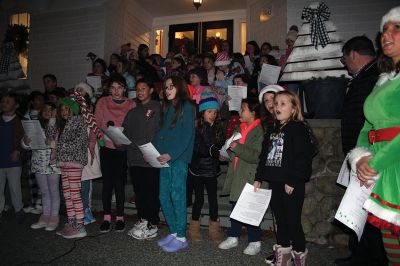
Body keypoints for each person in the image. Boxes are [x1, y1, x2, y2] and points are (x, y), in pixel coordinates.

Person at [350, 7, 400, 266]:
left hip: (394, 163)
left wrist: (375, 162)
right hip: (382, 169)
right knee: (393, 252)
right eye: (384, 29)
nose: (386, 35)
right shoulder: (385, 80)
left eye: (396, 28)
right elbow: (367, 127)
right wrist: (359, 157)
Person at [336, 36, 387, 266]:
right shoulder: (366, 76)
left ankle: (370, 258)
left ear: (353, 54)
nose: (345, 64)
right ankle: (360, 255)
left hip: (369, 154)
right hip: (359, 153)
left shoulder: (377, 77)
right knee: (359, 207)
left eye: (345, 58)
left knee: (369, 209)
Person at [254, 90, 313, 266]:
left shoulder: (298, 128)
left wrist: (293, 180)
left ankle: (300, 254)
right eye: (276, 103)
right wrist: (259, 177)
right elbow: (264, 156)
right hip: (275, 182)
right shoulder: (272, 128)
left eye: (282, 103)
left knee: (292, 221)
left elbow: (303, 158)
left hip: (291, 183)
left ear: (293, 109)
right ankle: (284, 253)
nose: (277, 107)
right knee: (280, 219)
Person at [153, 76, 195, 252]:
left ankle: (181, 235)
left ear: (179, 87)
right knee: (163, 196)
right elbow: (160, 133)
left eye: (171, 87)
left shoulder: (187, 107)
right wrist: (153, 150)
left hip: (178, 159)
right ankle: (174, 231)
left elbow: (186, 136)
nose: (167, 90)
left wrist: (171, 154)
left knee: (177, 196)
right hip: (164, 159)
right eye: (166, 87)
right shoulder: (166, 107)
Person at [218, 98, 264, 256]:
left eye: (243, 109)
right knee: (235, 208)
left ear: (253, 112)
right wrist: (226, 153)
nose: (239, 112)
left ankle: (255, 241)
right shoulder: (240, 128)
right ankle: (233, 236)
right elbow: (235, 150)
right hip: (237, 174)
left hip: (250, 176)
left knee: (250, 210)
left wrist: (238, 147)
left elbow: (257, 156)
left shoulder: (260, 131)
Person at [92, 74, 135, 233]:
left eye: (119, 87)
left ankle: (120, 217)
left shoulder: (131, 104)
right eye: (113, 88)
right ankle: (106, 217)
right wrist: (97, 142)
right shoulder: (103, 102)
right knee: (107, 184)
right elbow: (98, 123)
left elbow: (132, 127)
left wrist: (122, 141)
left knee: (119, 184)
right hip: (107, 148)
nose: (116, 91)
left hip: (122, 149)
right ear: (109, 89)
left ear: (125, 88)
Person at [124, 79, 161, 240]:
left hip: (150, 158)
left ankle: (153, 224)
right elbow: (126, 133)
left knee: (151, 193)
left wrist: (151, 150)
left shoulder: (158, 108)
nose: (140, 91)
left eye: (143, 88)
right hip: (134, 158)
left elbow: (159, 132)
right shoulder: (132, 112)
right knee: (139, 192)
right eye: (137, 89)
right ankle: (143, 219)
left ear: (151, 90)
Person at [46, 97, 88, 238]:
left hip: (74, 162)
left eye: (67, 109)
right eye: (61, 109)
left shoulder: (78, 122)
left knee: (75, 195)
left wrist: (55, 145)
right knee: (67, 194)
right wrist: (52, 119)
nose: (64, 112)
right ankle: (71, 222)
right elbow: (49, 136)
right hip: (64, 162)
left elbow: (76, 144)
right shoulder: (61, 125)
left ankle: (80, 225)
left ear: (73, 109)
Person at [187, 90, 224, 245]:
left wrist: (222, 150)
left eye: (215, 112)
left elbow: (220, 144)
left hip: (212, 170)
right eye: (210, 111)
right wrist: (213, 152)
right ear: (202, 112)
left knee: (213, 200)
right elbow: (198, 149)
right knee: (199, 200)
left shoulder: (217, 127)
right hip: (197, 170)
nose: (213, 115)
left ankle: (214, 228)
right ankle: (194, 227)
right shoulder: (196, 128)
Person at [22, 101, 61, 231]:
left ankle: (54, 217)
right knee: (44, 191)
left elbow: (61, 144)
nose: (47, 112)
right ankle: (45, 216)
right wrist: (25, 142)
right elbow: (25, 144)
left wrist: (52, 142)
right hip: (38, 163)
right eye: (45, 109)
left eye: (51, 110)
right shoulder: (35, 125)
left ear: (55, 112)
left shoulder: (58, 126)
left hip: (52, 164)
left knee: (53, 191)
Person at [73, 83, 101, 226]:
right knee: (77, 182)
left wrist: (91, 142)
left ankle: (86, 209)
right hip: (75, 149)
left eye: (82, 90)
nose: (79, 92)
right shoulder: (72, 108)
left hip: (88, 148)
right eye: (77, 90)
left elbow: (94, 128)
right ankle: (80, 210)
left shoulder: (90, 110)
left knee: (85, 181)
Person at [0, 92, 25, 223]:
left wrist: (18, 150)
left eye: (8, 101)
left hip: (14, 162)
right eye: (3, 101)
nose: (4, 103)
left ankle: (18, 209)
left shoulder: (19, 122)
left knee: (14, 187)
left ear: (16, 106)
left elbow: (24, 141)